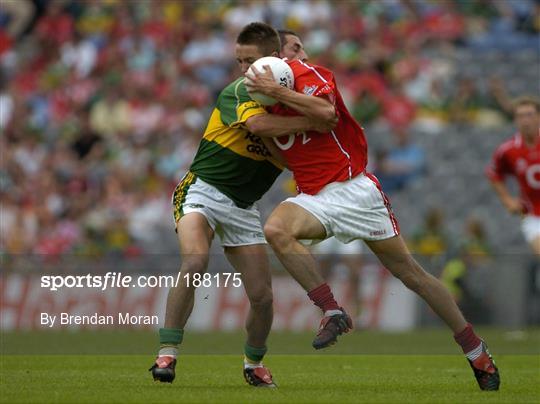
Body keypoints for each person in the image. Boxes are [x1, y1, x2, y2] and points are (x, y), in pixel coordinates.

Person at [245, 30, 500, 391]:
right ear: (274, 55)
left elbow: (327, 114)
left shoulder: (312, 75)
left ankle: (476, 352)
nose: (303, 53)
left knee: (412, 275)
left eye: (302, 47)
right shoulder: (257, 98)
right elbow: (272, 142)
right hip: (313, 197)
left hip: (354, 190)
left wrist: (278, 96)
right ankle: (332, 310)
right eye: (295, 47)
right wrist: (268, 117)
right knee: (275, 229)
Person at [149, 23, 332, 388]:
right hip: (201, 190)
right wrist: (315, 120)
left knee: (263, 297)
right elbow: (261, 125)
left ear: (273, 59)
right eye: (239, 60)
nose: (243, 68)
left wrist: (319, 118)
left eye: (250, 60)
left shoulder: (295, 97)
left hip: (243, 207)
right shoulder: (238, 90)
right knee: (196, 259)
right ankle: (167, 352)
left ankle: (254, 363)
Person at [487, 96, 540, 255]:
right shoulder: (508, 150)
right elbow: (494, 173)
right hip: (533, 216)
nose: (525, 120)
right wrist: (507, 200)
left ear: (538, 117)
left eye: (529, 115)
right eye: (520, 116)